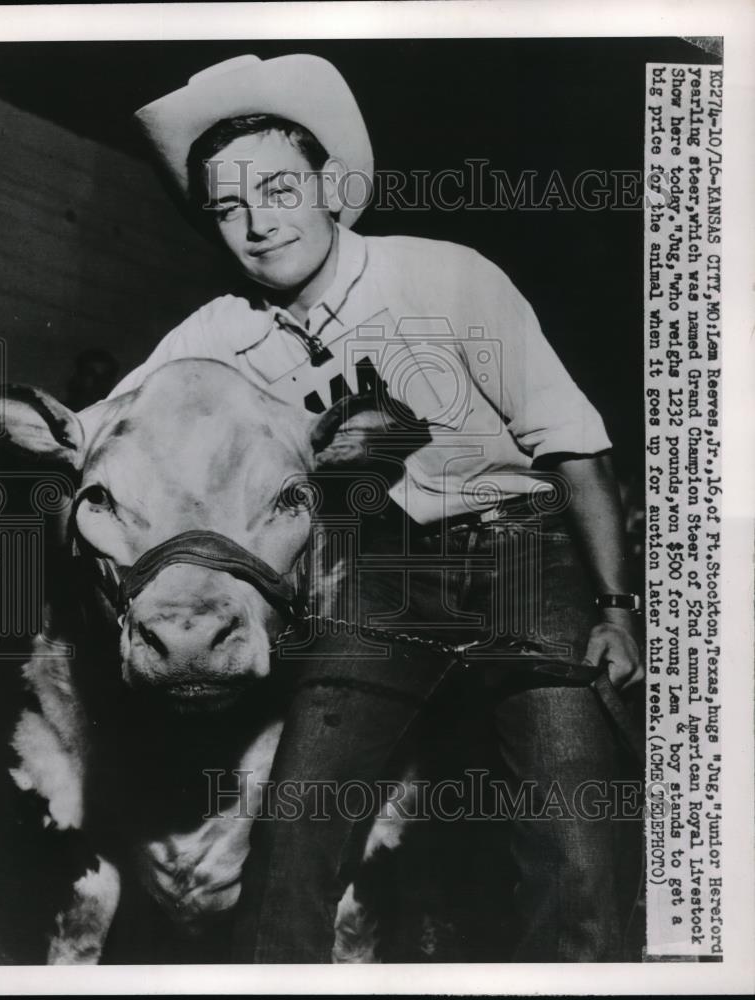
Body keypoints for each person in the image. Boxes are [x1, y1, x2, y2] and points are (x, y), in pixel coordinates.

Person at [110, 53, 644, 961]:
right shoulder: (221, 330)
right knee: (292, 836)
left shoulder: (446, 278)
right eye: (228, 207)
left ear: (332, 187)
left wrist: (616, 610)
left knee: (576, 847)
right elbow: (107, 427)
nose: (257, 222)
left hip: (527, 554)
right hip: (383, 573)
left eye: (278, 188)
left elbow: (577, 451)